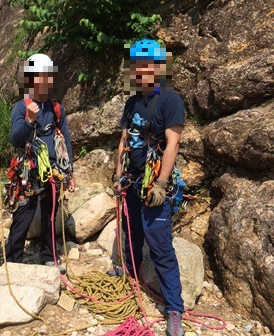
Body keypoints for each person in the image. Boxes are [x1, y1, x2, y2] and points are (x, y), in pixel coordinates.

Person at [110, 39, 185, 336]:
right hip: (131, 182)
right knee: (132, 235)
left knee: (160, 245)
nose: (141, 71)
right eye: (137, 66)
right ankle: (132, 279)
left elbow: (173, 142)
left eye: (146, 65)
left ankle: (174, 308)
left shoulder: (170, 99)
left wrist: (162, 184)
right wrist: (118, 174)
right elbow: (124, 141)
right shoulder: (132, 102)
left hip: (154, 184)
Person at [6, 53, 75, 272]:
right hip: (29, 172)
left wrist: (69, 172)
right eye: (40, 77)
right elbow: (16, 139)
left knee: (50, 215)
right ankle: (13, 260)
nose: (45, 82)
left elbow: (64, 140)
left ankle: (48, 255)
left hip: (52, 172)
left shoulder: (56, 109)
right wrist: (29, 120)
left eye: (47, 77)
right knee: (23, 216)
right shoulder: (22, 107)